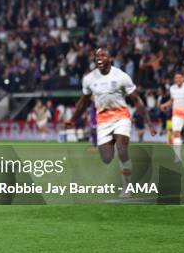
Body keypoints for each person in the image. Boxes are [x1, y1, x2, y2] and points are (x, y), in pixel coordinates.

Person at [66, 48, 155, 197]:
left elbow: (137, 100)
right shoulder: (89, 79)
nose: (99, 58)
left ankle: (127, 187)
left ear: (110, 58)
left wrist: (149, 123)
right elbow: (83, 102)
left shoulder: (121, 76)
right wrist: (73, 119)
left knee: (121, 148)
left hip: (121, 117)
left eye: (103, 55)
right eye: (97, 56)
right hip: (103, 120)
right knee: (107, 158)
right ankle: (114, 142)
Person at [160, 72, 184, 162]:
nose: (178, 79)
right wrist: (164, 105)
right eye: (176, 78)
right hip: (177, 114)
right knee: (176, 133)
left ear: (183, 78)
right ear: (174, 79)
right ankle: (177, 157)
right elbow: (172, 100)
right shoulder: (172, 88)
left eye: (179, 77)